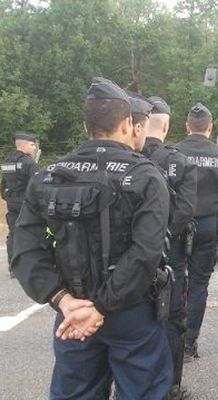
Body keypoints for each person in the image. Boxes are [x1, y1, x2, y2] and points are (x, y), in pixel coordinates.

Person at [11, 77, 174, 399]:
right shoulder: (144, 176)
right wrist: (100, 308)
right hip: (131, 313)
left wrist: (63, 300)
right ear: (128, 123)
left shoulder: (47, 174)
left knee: (75, 392)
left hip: (72, 311)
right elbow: (146, 252)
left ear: (87, 124)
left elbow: (25, 249)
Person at [175, 102, 218, 362]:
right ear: (211, 127)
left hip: (178, 224)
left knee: (176, 279)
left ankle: (173, 340)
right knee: (199, 284)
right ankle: (190, 342)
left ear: (187, 126)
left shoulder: (174, 154)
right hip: (207, 225)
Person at [142, 95, 197, 399]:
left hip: (131, 256)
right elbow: (185, 211)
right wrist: (160, 237)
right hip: (169, 255)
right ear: (166, 126)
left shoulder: (128, 158)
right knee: (173, 318)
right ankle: (170, 386)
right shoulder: (178, 161)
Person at [1, 131, 39, 276]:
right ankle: (30, 266)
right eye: (32, 144)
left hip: (12, 203)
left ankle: (13, 267)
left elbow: (3, 184)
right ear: (24, 145)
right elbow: (35, 185)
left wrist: (8, 198)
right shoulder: (28, 162)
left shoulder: (7, 161)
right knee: (31, 233)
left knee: (13, 233)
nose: (34, 148)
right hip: (26, 204)